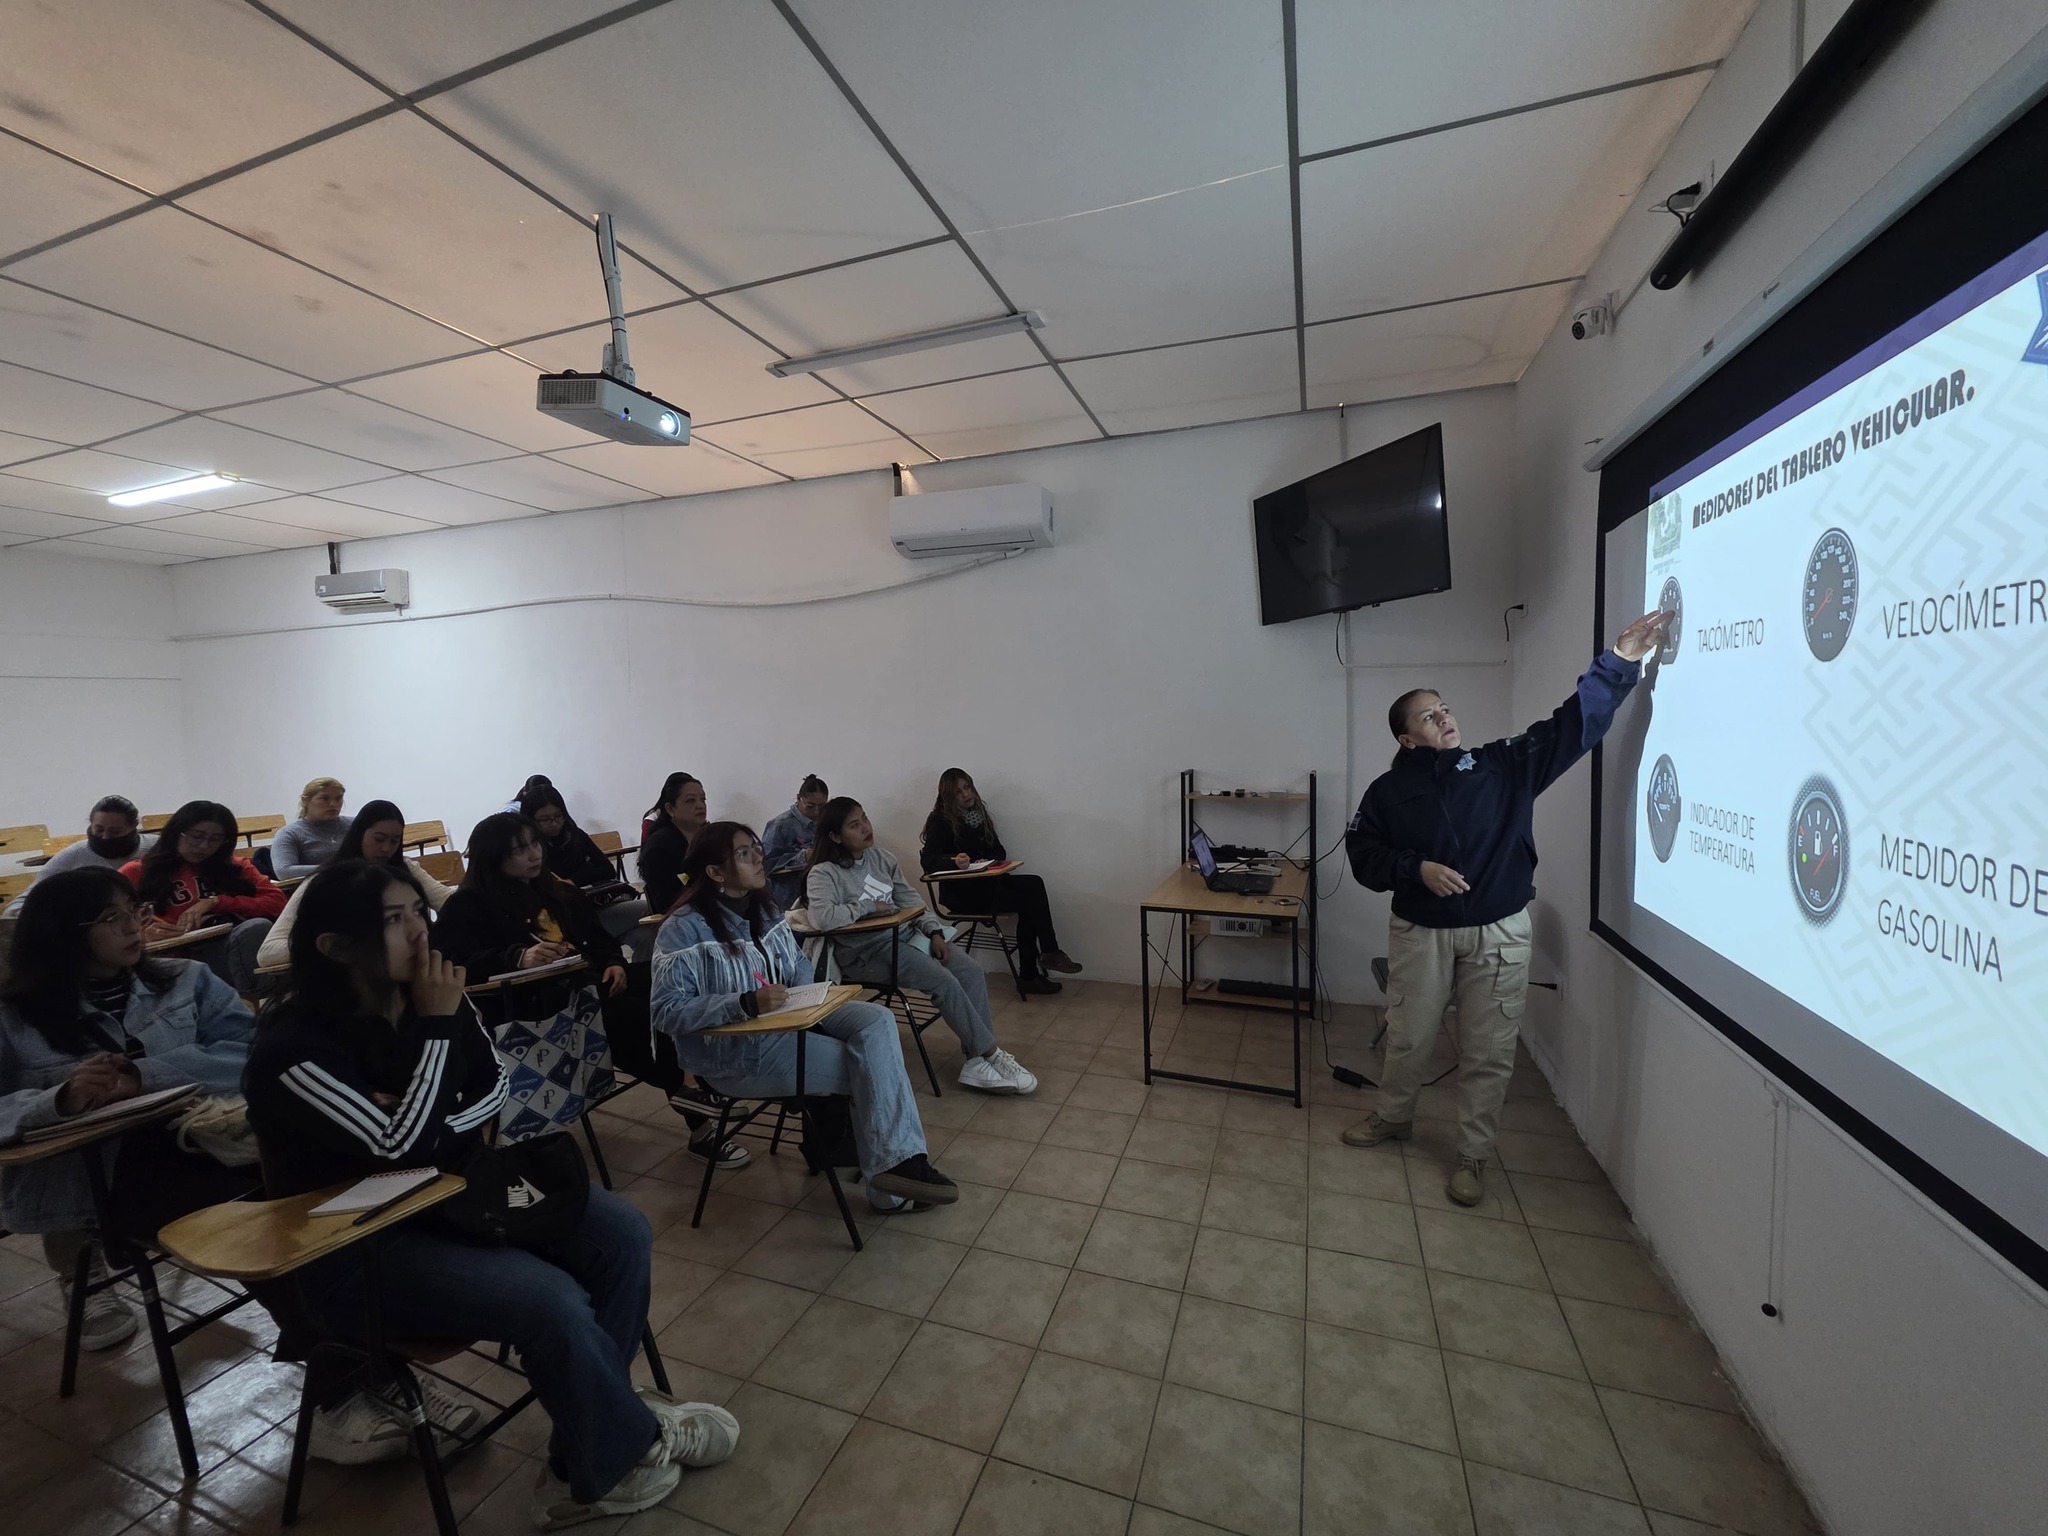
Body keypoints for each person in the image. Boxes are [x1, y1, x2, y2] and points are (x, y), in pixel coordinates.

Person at [243, 861, 738, 1525]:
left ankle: (590, 1445)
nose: (421, 931)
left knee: (622, 1233)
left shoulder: (433, 995)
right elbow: (400, 1150)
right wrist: (438, 1044)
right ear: (334, 946)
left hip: (454, 1197)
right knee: (552, 1299)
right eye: (395, 920)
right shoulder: (292, 1046)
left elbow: (496, 1086)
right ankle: (620, 1452)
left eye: (420, 911)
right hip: (357, 1248)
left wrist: (421, 1110)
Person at [1342, 609, 1669, 1206]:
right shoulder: (1387, 793)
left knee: (1488, 1051)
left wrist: (1620, 660)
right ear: (1405, 737)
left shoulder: (1501, 765)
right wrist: (1415, 868)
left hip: (1500, 933)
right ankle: (1393, 1119)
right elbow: (1363, 857)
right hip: (1423, 933)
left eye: (1445, 708)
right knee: (1408, 1039)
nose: (1444, 717)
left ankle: (1472, 1155)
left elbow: (1573, 725)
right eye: (1428, 715)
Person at [650, 822, 960, 1209]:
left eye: (756, 848)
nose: (759, 857)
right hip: (739, 1052)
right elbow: (666, 1011)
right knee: (871, 1065)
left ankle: (897, 1168)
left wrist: (807, 993)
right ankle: (893, 1185)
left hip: (794, 1018)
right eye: (744, 853)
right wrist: (744, 1003)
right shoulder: (682, 929)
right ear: (715, 873)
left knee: (877, 1021)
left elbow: (797, 966)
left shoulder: (765, 909)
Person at [807, 798, 1036, 1095]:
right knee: (944, 982)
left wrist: (935, 932)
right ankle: (991, 1054)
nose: (865, 827)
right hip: (867, 953)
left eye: (864, 818)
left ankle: (975, 1061)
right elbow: (822, 917)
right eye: (854, 825)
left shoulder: (882, 858)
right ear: (835, 836)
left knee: (971, 971)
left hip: (907, 937)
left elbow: (911, 901)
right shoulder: (823, 873)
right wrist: (867, 907)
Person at [918, 768, 1082, 995]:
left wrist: (987, 857)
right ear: (948, 796)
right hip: (962, 894)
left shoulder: (978, 814)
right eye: (958, 792)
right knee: (1029, 903)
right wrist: (955, 860)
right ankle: (1032, 971)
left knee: (1034, 883)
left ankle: (1047, 956)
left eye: (968, 787)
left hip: (987, 885)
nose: (966, 794)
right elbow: (928, 860)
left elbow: (999, 851)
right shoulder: (940, 820)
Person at [257, 801, 455, 970]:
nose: (386, 848)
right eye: (379, 839)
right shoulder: (324, 880)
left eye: (394, 841)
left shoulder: (407, 869)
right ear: (359, 834)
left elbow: (450, 903)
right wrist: (347, 946)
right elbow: (268, 952)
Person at [121, 801, 287, 994]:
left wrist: (216, 902)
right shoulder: (136, 872)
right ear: (177, 832)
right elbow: (110, 924)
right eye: (196, 836)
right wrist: (142, 934)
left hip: (228, 946)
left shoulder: (236, 867)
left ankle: (262, 1003)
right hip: (170, 958)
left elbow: (278, 903)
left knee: (257, 928)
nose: (204, 846)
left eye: (216, 839)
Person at [518, 783, 652, 954]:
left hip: (594, 905)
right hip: (564, 921)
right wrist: (581, 876)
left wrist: (573, 881)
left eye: (559, 816)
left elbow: (606, 869)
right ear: (530, 819)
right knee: (648, 910)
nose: (553, 823)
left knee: (646, 935)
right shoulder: (531, 848)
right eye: (544, 819)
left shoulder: (574, 834)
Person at [3, 795, 155, 919]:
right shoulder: (73, 856)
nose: (105, 837)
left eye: (115, 832)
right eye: (99, 830)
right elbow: (18, 906)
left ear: (134, 827)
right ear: (90, 825)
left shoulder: (157, 847)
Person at [638, 773, 706, 915]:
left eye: (702, 799)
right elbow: (667, 903)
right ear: (670, 809)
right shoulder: (659, 847)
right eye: (690, 801)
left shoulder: (709, 835)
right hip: (685, 920)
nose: (700, 805)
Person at [760, 776, 829, 909]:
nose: (816, 811)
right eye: (810, 806)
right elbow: (765, 864)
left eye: (822, 806)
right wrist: (802, 857)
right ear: (798, 799)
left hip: (819, 893)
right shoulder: (779, 825)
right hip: (788, 898)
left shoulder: (826, 821)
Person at [270, 778, 352, 880]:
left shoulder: (354, 824)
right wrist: (337, 868)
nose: (333, 804)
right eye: (324, 799)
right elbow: (284, 871)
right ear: (305, 801)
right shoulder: (289, 833)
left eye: (338, 798)